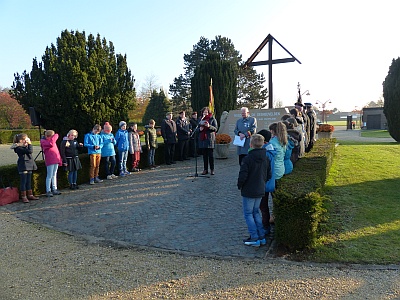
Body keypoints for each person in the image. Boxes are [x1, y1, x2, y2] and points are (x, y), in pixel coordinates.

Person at [237, 134, 271, 247]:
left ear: (251, 144)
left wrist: (240, 185)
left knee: (248, 213)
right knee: (256, 212)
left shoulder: (248, 158)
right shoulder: (266, 157)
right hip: (260, 188)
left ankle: (254, 237)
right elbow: (269, 174)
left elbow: (243, 175)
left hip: (249, 189)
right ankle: (261, 236)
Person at [10, 133, 39, 203]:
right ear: (21, 140)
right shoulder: (18, 148)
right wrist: (30, 144)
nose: (26, 140)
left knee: (29, 181)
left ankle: (30, 195)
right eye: (25, 139)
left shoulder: (24, 146)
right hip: (23, 165)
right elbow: (30, 151)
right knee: (23, 182)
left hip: (29, 164)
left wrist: (27, 145)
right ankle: (24, 196)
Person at [40, 130, 63, 197]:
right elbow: (51, 143)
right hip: (50, 160)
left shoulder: (52, 140)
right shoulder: (44, 141)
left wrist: (59, 160)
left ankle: (54, 188)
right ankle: (48, 190)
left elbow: (56, 151)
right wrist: (55, 136)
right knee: (49, 176)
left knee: (54, 175)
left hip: (55, 159)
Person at [197, 106, 218, 175]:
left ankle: (212, 169)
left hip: (209, 139)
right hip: (203, 139)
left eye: (206, 112)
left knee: (210, 155)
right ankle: (205, 169)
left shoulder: (212, 119)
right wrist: (199, 130)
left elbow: (215, 128)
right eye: (204, 112)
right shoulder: (200, 119)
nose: (205, 113)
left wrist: (209, 126)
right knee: (204, 156)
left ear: (208, 112)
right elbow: (196, 128)